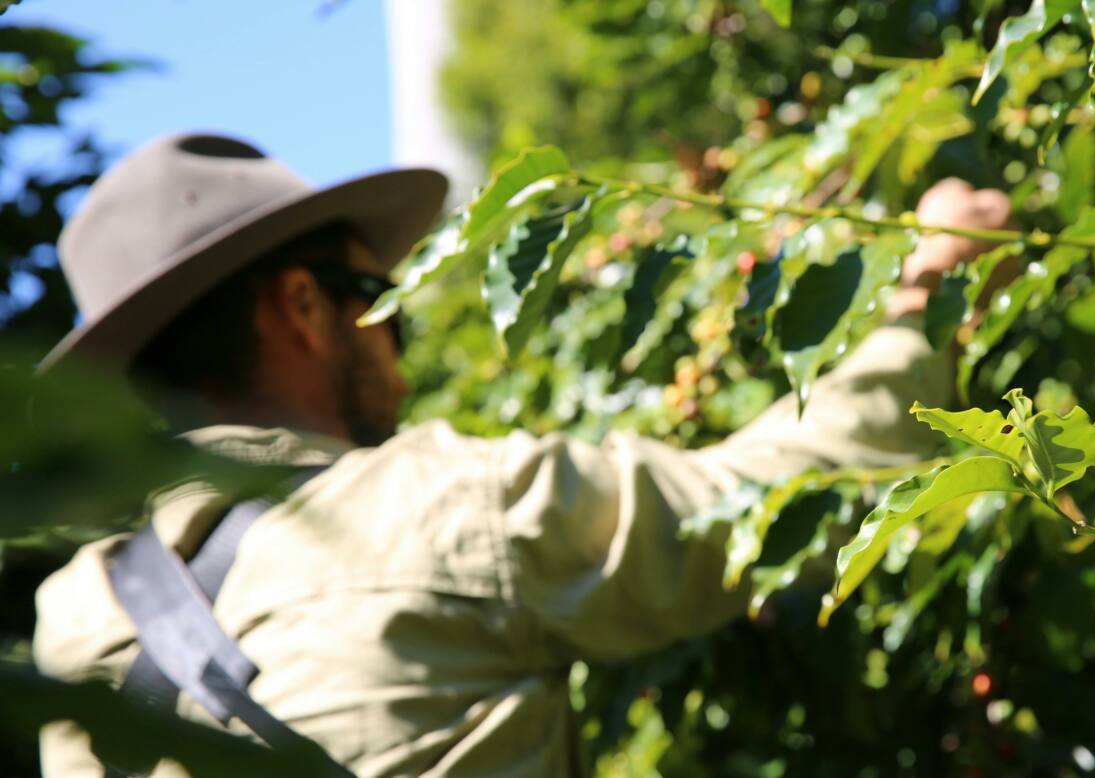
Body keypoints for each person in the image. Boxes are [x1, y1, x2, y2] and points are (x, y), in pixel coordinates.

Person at [33, 132, 1012, 777]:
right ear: (300, 306)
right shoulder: (441, 501)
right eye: (377, 300)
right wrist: (924, 299)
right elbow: (756, 502)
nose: (393, 338)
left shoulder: (73, 622)